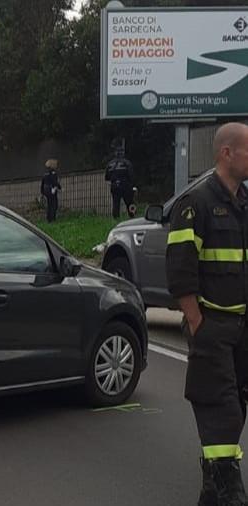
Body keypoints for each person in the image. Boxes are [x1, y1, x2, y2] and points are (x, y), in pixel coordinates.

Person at [166, 122, 248, 506]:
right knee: (220, 405)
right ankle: (228, 489)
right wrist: (198, 323)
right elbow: (180, 272)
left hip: (243, 326)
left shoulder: (244, 203)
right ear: (226, 153)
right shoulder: (195, 204)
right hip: (213, 325)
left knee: (237, 404)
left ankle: (212, 490)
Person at [106, 148, 136, 219]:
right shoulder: (127, 162)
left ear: (115, 153)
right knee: (130, 203)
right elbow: (131, 175)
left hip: (114, 186)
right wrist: (133, 185)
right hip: (126, 185)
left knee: (116, 204)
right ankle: (132, 217)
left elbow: (107, 177)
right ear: (123, 153)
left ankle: (116, 219)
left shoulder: (110, 164)